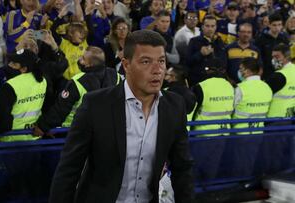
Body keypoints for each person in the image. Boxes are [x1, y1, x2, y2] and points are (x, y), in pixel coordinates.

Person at [48, 30, 194, 203]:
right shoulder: (95, 105)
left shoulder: (174, 106)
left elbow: (182, 168)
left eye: (161, 61)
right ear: (126, 65)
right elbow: (68, 170)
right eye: (146, 62)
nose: (158, 70)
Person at [35, 46, 121, 133]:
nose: (79, 59)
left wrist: (42, 126)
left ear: (89, 65)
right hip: (105, 129)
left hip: (73, 131)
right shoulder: (115, 76)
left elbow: (60, 110)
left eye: (83, 58)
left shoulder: (78, 81)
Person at [192, 58, 234, 136]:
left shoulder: (201, 86)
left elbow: (192, 111)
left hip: (204, 133)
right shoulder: (230, 86)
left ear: (209, 70)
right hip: (224, 132)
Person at [232, 57, 272, 134]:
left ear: (247, 71)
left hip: (239, 133)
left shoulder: (240, 89)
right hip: (259, 131)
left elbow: (231, 108)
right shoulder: (267, 87)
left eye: (241, 69)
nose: (239, 71)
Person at [187, 15, 227, 86]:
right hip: (199, 81)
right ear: (202, 27)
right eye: (207, 26)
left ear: (216, 27)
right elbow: (187, 62)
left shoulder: (220, 42)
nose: (210, 29)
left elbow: (224, 62)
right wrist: (200, 54)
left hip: (217, 81)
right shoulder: (194, 41)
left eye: (212, 26)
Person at [255, 12, 289, 80]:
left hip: (282, 73)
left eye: (279, 25)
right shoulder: (261, 39)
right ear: (269, 25)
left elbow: (287, 56)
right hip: (266, 74)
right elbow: (258, 58)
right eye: (274, 25)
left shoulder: (284, 39)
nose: (277, 28)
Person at [266, 43, 295, 118]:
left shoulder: (279, 75)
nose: (274, 60)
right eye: (273, 57)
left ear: (287, 57)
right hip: (291, 115)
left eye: (277, 57)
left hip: (275, 116)